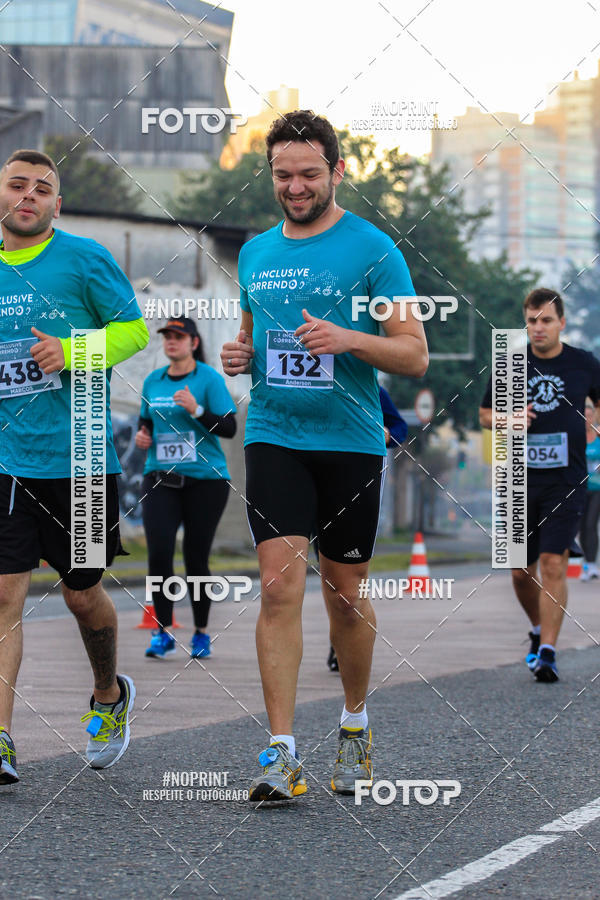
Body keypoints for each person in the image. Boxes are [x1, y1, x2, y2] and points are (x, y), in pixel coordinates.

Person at [221, 110, 428, 801]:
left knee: (345, 595)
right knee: (279, 587)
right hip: (275, 434)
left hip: (349, 442)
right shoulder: (255, 253)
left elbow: (413, 353)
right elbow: (252, 338)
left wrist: (350, 339)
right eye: (283, 174)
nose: (296, 186)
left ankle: (355, 723)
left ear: (338, 171)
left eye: (309, 173)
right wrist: (240, 354)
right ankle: (280, 753)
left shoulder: (375, 250)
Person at [0, 149, 149, 784]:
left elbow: (134, 331)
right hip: (8, 461)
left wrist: (72, 349)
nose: (29, 195)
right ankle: (2, 740)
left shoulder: (84, 258)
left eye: (43, 188)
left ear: (57, 204)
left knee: (81, 594)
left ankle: (109, 692)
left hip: (82, 457)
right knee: (4, 595)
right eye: (17, 185)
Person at [479, 288, 600, 682]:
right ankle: (536, 630)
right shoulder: (511, 365)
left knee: (552, 562)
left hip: (566, 478)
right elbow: (483, 414)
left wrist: (593, 422)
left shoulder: (583, 364)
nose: (538, 328)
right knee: (519, 571)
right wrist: (508, 420)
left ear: (561, 323)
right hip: (518, 478)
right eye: (531, 320)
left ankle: (548, 651)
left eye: (546, 320)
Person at [135, 316, 236, 660]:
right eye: (167, 337)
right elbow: (145, 422)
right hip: (160, 478)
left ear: (193, 342)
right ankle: (162, 632)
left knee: (196, 557)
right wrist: (142, 435)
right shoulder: (153, 381)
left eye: (178, 337)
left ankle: (202, 633)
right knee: (159, 554)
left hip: (205, 482)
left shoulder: (208, 379)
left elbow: (229, 428)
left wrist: (197, 409)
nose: (171, 342)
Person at [327, 384, 408, 672]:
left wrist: (390, 435)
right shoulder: (309, 383)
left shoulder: (371, 386)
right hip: (313, 479)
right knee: (328, 574)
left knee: (348, 581)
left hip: (355, 478)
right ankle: (337, 643)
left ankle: (340, 644)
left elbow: (400, 426)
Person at [579, 402, 600, 581]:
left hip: (597, 489)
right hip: (579, 490)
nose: (587, 420)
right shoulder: (576, 437)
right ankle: (586, 566)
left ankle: (592, 564)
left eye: (590, 416)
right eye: (584, 417)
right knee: (581, 528)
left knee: (590, 525)